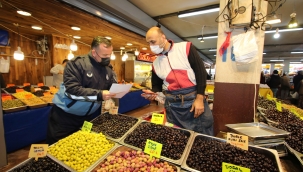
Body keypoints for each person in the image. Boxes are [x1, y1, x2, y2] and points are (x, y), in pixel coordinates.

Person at [142, 27, 214, 135]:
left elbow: (201, 73)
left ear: (163, 37)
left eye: (153, 42)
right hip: (172, 104)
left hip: (193, 99)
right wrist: (154, 94)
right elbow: (156, 85)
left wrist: (199, 98)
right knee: (177, 136)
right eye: (149, 43)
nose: (151, 46)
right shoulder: (156, 63)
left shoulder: (185, 48)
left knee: (202, 134)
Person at [46, 36, 116, 145]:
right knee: (58, 148)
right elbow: (72, 91)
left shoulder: (108, 69)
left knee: (81, 148)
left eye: (109, 55)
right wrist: (99, 94)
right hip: (65, 116)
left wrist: (116, 91)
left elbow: (111, 86)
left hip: (88, 117)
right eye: (104, 55)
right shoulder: (76, 64)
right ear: (94, 52)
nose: (108, 58)